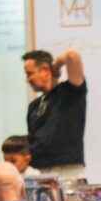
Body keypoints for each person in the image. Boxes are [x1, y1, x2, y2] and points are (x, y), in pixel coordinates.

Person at [22, 49, 86, 179]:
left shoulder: (69, 92)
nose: (27, 79)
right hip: (39, 172)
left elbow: (72, 55)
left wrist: (54, 67)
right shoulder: (34, 106)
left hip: (67, 171)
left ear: (45, 70)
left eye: (30, 73)